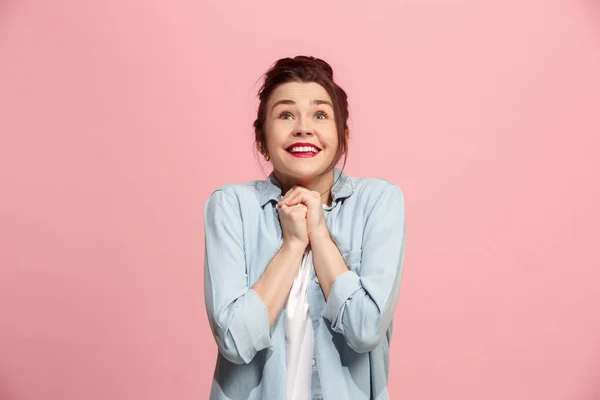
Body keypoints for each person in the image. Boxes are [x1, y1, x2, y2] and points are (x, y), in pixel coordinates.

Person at [203, 55, 405, 400]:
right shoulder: (232, 206)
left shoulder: (378, 201)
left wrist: (320, 235)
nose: (303, 128)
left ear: (344, 138)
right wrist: (292, 246)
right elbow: (235, 341)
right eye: (285, 115)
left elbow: (365, 329)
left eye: (320, 115)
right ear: (261, 140)